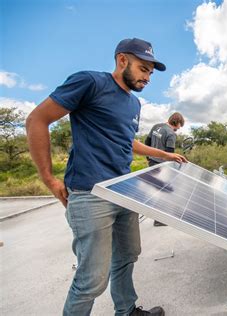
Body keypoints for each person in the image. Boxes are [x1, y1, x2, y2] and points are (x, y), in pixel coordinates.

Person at [26, 37, 187, 316]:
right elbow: (36, 120)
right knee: (91, 280)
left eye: (150, 72)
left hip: (123, 190)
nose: (147, 77)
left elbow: (128, 142)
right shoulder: (90, 83)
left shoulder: (134, 105)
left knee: (127, 256)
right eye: (143, 68)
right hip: (90, 194)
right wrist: (49, 179)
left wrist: (166, 155)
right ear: (122, 60)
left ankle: (126, 310)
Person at [145, 112, 184, 226]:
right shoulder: (171, 134)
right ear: (176, 122)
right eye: (179, 126)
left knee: (157, 189)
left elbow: (147, 142)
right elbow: (169, 153)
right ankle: (159, 220)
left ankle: (158, 217)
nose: (178, 129)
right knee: (164, 191)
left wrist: (148, 157)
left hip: (152, 162)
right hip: (162, 166)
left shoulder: (156, 126)